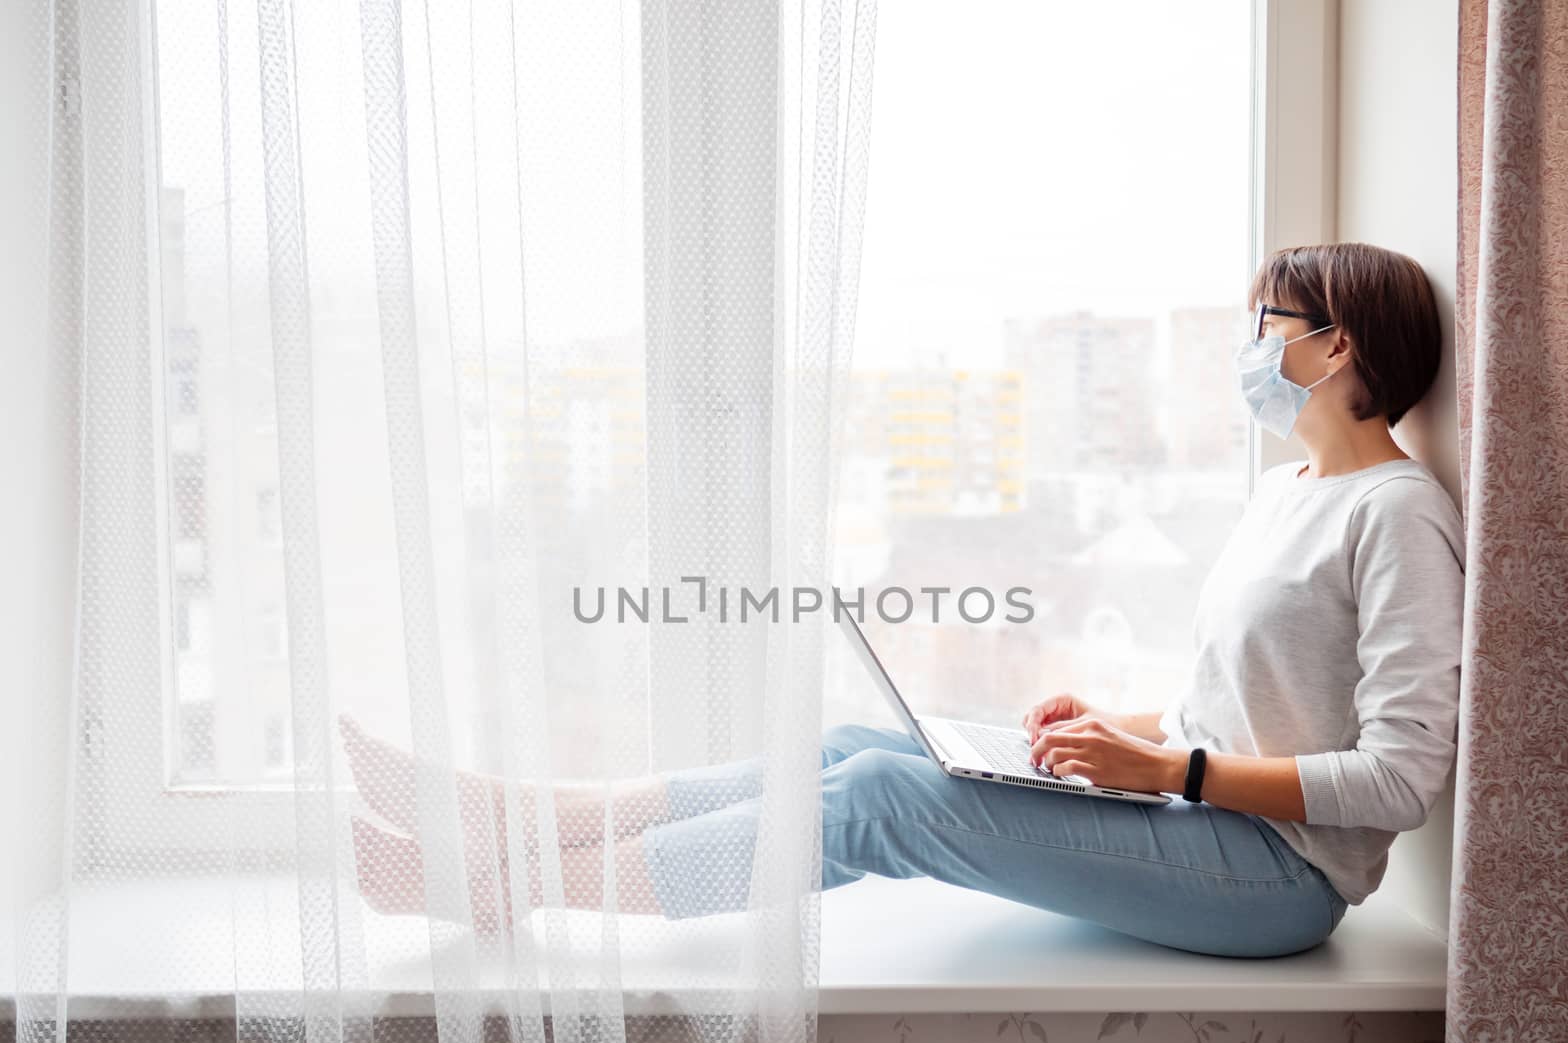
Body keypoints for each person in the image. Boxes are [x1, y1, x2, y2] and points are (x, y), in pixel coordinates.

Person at [340, 241, 1466, 959]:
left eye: (1265, 327)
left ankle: (511, 880)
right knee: (854, 743)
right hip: (1200, 814)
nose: (1247, 350)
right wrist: (1113, 730)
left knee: (886, 799)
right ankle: (519, 816)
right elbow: (1242, 704)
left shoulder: (1398, 512)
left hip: (1275, 881)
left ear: (1335, 349)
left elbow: (1402, 778)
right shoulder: (1291, 492)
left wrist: (1172, 773)